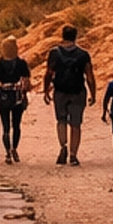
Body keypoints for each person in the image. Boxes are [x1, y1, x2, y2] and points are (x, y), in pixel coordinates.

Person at [42, 24, 96, 166]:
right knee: (76, 124)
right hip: (78, 92)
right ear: (75, 36)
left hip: (60, 91)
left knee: (61, 121)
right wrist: (93, 94)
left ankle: (63, 147)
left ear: (63, 36)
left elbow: (48, 73)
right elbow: (90, 76)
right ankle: (73, 155)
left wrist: (46, 90)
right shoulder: (83, 54)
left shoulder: (54, 53)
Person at [0, 37, 33, 163]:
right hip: (17, 95)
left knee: (6, 127)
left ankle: (7, 153)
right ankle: (14, 149)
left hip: (3, 95)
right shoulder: (21, 63)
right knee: (17, 125)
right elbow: (26, 81)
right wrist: (25, 94)